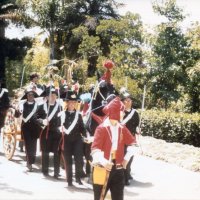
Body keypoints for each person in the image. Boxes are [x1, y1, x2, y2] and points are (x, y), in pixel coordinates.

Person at [91, 97, 137, 200]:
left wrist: (126, 158)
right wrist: (104, 162)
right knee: (99, 198)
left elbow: (133, 144)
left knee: (118, 197)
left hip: (118, 169)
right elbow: (95, 150)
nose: (124, 113)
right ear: (115, 112)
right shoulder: (101, 128)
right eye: (122, 111)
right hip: (102, 168)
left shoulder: (122, 128)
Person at [61, 91, 86, 186]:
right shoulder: (62, 114)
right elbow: (59, 126)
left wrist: (86, 135)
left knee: (79, 159)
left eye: (74, 102)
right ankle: (69, 180)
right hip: (66, 140)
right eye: (70, 102)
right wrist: (60, 128)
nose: (72, 104)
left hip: (77, 140)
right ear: (67, 103)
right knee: (68, 161)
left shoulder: (78, 115)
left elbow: (82, 128)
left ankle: (78, 178)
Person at [38, 87, 63, 179]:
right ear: (47, 97)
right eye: (50, 95)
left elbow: (62, 119)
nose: (52, 97)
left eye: (54, 95)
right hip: (46, 132)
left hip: (56, 132)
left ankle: (56, 172)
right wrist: (42, 121)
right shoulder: (41, 106)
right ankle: (45, 171)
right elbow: (36, 118)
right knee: (45, 152)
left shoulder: (60, 107)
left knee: (57, 152)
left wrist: (61, 126)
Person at [15, 87, 41, 171]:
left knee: (33, 145)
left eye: (32, 95)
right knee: (27, 144)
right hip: (25, 127)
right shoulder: (22, 104)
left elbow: (42, 115)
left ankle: (32, 159)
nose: (30, 96)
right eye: (29, 95)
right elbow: (17, 115)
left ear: (34, 96)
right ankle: (29, 163)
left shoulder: (38, 105)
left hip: (35, 127)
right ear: (26, 96)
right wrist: (17, 110)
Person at [121, 92, 140, 185]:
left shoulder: (135, 113)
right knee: (124, 157)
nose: (128, 102)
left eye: (130, 101)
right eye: (126, 101)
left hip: (131, 138)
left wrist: (138, 129)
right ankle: (125, 177)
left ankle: (127, 174)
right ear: (123, 102)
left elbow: (137, 125)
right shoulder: (121, 112)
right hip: (122, 138)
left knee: (130, 158)